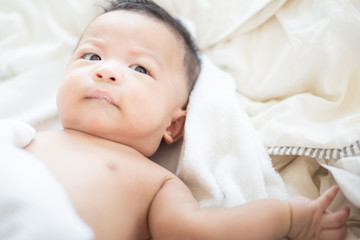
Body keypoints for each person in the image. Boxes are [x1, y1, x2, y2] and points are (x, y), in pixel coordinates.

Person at [23, 0, 350, 239]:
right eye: (92, 56)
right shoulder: (26, 136)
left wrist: (288, 216)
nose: (105, 70)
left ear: (173, 125)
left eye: (140, 69)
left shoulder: (157, 183)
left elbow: (196, 231)